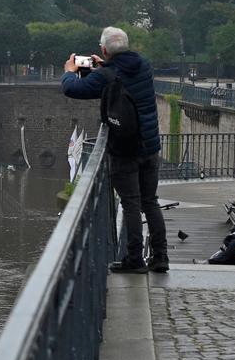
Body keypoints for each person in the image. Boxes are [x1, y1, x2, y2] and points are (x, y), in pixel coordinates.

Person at [62, 26, 167, 273]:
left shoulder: (106, 75)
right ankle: (161, 256)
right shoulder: (143, 64)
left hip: (124, 149)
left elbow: (73, 89)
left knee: (130, 203)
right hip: (149, 146)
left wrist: (69, 72)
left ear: (104, 49)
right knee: (150, 201)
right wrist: (105, 66)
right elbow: (121, 74)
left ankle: (135, 259)